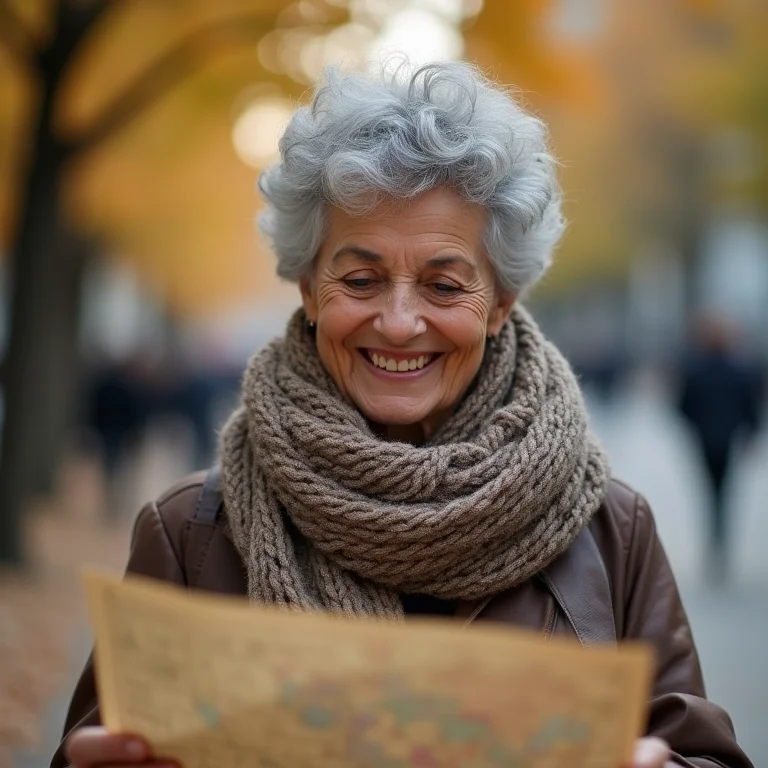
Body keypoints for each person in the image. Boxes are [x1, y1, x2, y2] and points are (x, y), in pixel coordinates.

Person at [55, 61, 752, 768]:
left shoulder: (610, 529)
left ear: (503, 301)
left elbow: (703, 755)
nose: (397, 321)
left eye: (444, 285)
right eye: (360, 280)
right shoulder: (192, 534)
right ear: (308, 287)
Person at [678, 315, 762, 584]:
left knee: (710, 492)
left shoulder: (695, 370)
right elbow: (750, 406)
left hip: (705, 440)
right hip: (728, 440)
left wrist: (695, 427)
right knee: (723, 492)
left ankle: (715, 544)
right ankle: (721, 544)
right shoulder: (738, 370)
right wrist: (750, 433)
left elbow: (683, 406)